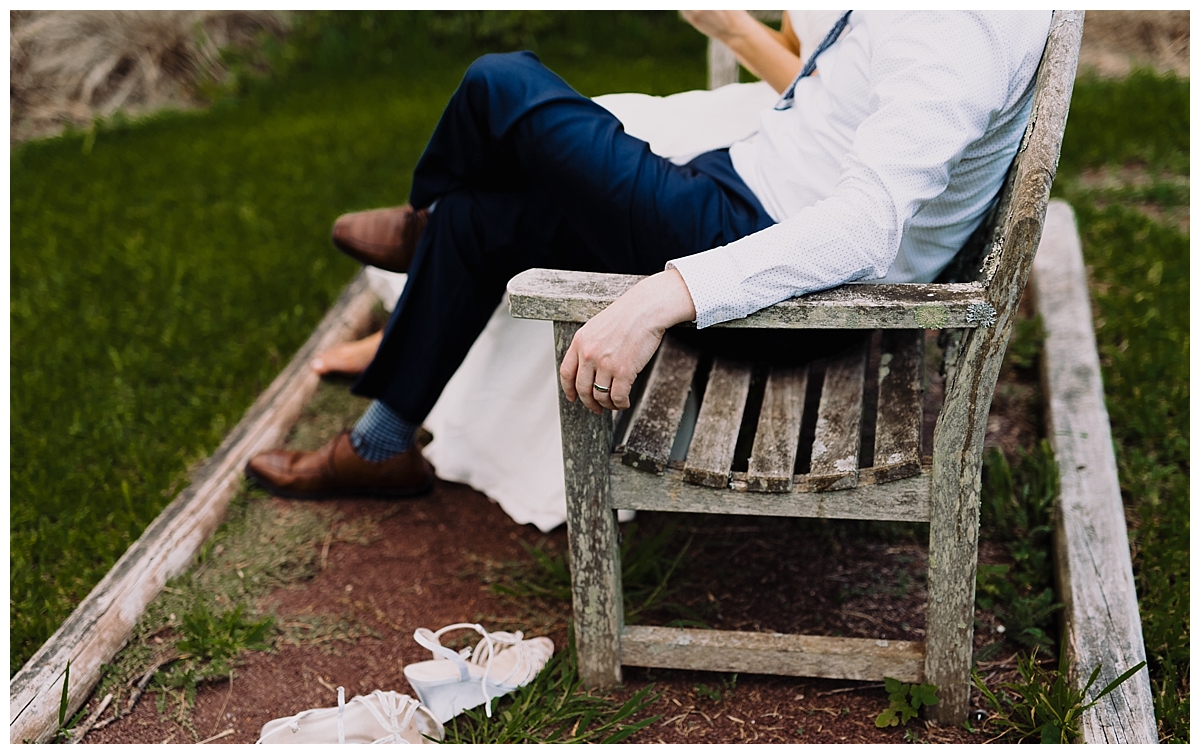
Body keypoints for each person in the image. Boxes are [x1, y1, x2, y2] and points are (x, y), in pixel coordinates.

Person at [245, 10, 1053, 504]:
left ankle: (421, 228)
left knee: (502, 84)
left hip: (777, 269)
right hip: (738, 192)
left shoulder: (962, 22)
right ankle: (381, 446)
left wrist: (666, 293)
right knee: (482, 215)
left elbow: (866, 227)